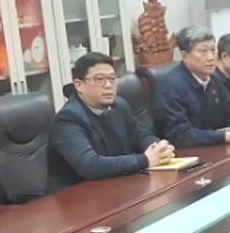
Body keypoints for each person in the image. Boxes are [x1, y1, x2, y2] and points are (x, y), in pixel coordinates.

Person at [48, 52, 175, 190]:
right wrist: (145, 160)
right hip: (79, 195)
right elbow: (90, 165)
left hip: (118, 185)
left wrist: (158, 148)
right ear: (79, 85)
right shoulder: (68, 119)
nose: (108, 85)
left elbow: (141, 136)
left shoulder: (119, 106)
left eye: (112, 79)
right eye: (100, 80)